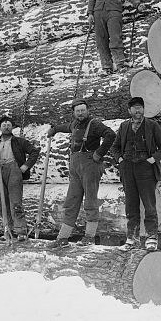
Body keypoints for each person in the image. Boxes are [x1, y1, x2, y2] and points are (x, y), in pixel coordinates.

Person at [99, 96, 161, 251]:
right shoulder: (124, 127)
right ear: (129, 111)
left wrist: (152, 159)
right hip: (128, 169)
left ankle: (151, 237)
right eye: (135, 108)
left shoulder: (152, 125)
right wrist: (120, 159)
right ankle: (132, 238)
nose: (138, 110)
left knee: (149, 205)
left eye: (140, 107)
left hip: (146, 169)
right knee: (131, 205)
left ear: (143, 109)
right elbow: (115, 147)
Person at [46, 100, 117, 249]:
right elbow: (65, 127)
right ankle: (63, 237)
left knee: (90, 201)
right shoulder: (74, 124)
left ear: (87, 110)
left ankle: (89, 237)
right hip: (75, 166)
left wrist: (99, 153)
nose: (80, 113)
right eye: (78, 111)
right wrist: (54, 129)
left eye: (83, 110)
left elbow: (110, 135)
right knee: (72, 200)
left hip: (90, 165)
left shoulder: (94, 124)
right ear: (74, 112)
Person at [87, 0, 142, 75]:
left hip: (114, 12)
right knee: (101, 41)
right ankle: (107, 67)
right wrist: (90, 13)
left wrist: (137, 4)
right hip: (98, 12)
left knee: (115, 38)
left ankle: (121, 64)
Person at [0, 115, 41, 240]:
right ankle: (8, 230)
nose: (6, 127)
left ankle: (21, 231)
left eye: (8, 125)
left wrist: (25, 166)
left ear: (12, 127)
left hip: (14, 171)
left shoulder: (19, 141)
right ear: (0, 127)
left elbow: (34, 151)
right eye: (4, 125)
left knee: (15, 202)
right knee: (3, 203)